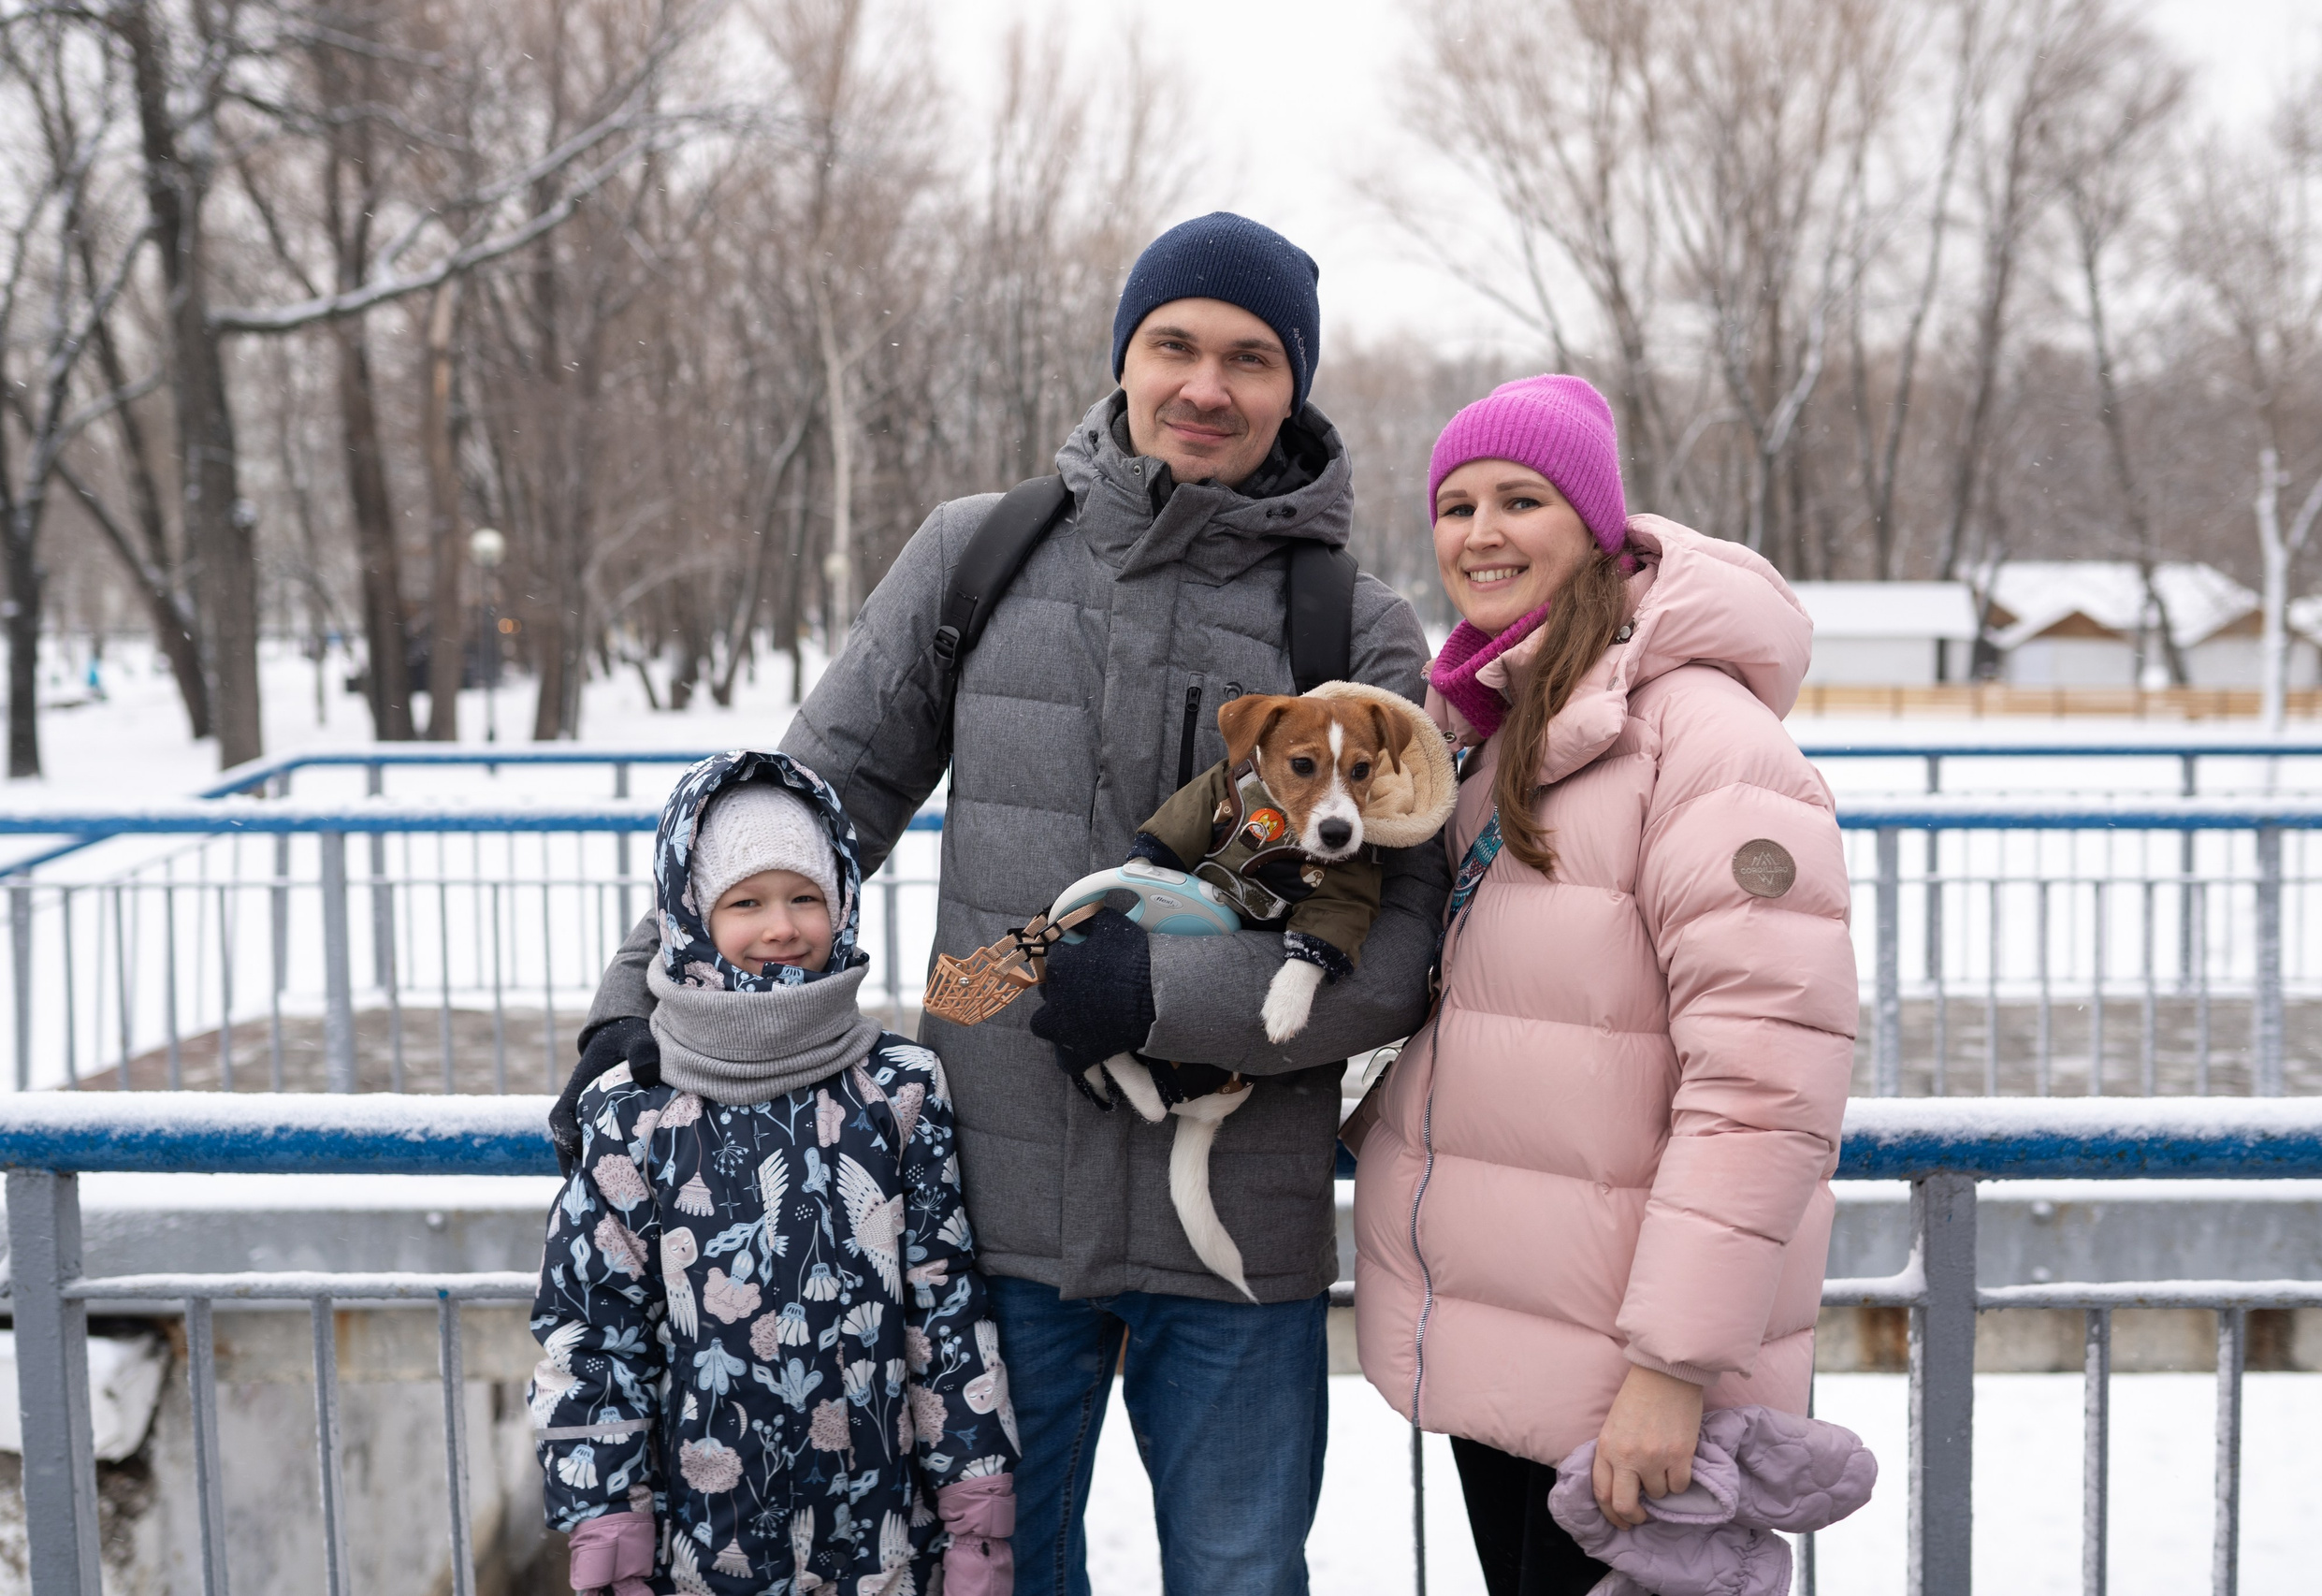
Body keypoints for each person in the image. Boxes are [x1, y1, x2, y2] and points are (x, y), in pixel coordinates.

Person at [556, 213, 1444, 1596]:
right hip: (986, 1208)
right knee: (999, 1571)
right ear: (1126, 357)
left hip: (1236, 1227)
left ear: (1294, 386)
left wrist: (1163, 997)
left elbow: (1395, 948)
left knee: (1241, 1571)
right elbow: (812, 799)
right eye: (1176, 345)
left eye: (1251, 358)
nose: (1207, 385)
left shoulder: (1355, 629)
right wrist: (635, 1008)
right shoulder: (981, 556)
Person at [1345, 376, 1856, 1596]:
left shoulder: (1708, 747)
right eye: (1456, 503)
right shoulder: (1488, 736)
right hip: (1512, 1351)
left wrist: (1673, 1366)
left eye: (1522, 498)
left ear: (1597, 525)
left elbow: (1765, 1081)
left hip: (1627, 1383)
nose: (1480, 532)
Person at [531, 751, 1019, 1595]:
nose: (781, 928)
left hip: (881, 1545)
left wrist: (975, 1505)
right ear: (691, 915)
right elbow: (592, 1333)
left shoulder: (897, 1089)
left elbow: (944, 1309)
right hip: (703, 1548)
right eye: (745, 903)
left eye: (804, 897)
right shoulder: (635, 1112)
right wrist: (608, 1521)